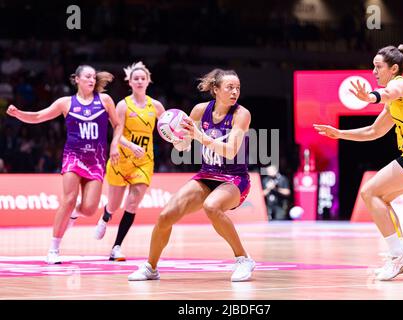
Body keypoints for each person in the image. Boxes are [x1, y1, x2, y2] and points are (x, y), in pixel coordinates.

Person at [313, 44, 403, 281]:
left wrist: (370, 97)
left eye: (378, 67)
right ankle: (400, 255)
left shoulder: (400, 84)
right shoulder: (395, 101)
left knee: (369, 192)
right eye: (373, 66)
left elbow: (385, 92)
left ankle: (399, 256)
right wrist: (339, 133)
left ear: (394, 68)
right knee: (380, 198)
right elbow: (374, 131)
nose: (374, 71)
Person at [128, 68, 256, 282]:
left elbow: (231, 150)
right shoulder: (199, 110)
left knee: (212, 206)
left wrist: (200, 137)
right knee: (165, 216)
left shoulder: (241, 114)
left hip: (235, 179)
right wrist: (177, 138)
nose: (235, 92)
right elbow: (184, 146)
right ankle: (150, 267)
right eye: (230, 87)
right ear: (215, 90)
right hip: (207, 175)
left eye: (238, 88)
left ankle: (243, 259)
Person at [6, 65, 123, 264]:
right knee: (69, 199)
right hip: (73, 157)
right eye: (87, 76)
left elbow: (118, 124)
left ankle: (75, 214)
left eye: (94, 77)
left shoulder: (104, 100)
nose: (91, 80)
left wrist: (115, 145)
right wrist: (19, 114)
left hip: (96, 160)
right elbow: (38, 116)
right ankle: (54, 248)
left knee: (89, 209)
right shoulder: (65, 103)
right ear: (76, 79)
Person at [93, 62, 165, 261]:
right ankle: (106, 216)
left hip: (144, 161)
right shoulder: (124, 105)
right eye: (136, 78)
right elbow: (117, 132)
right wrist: (131, 146)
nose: (140, 81)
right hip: (121, 159)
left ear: (148, 81)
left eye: (143, 78)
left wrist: (178, 138)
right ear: (130, 82)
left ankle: (116, 247)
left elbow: (167, 128)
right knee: (114, 205)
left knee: (132, 204)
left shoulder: (156, 106)